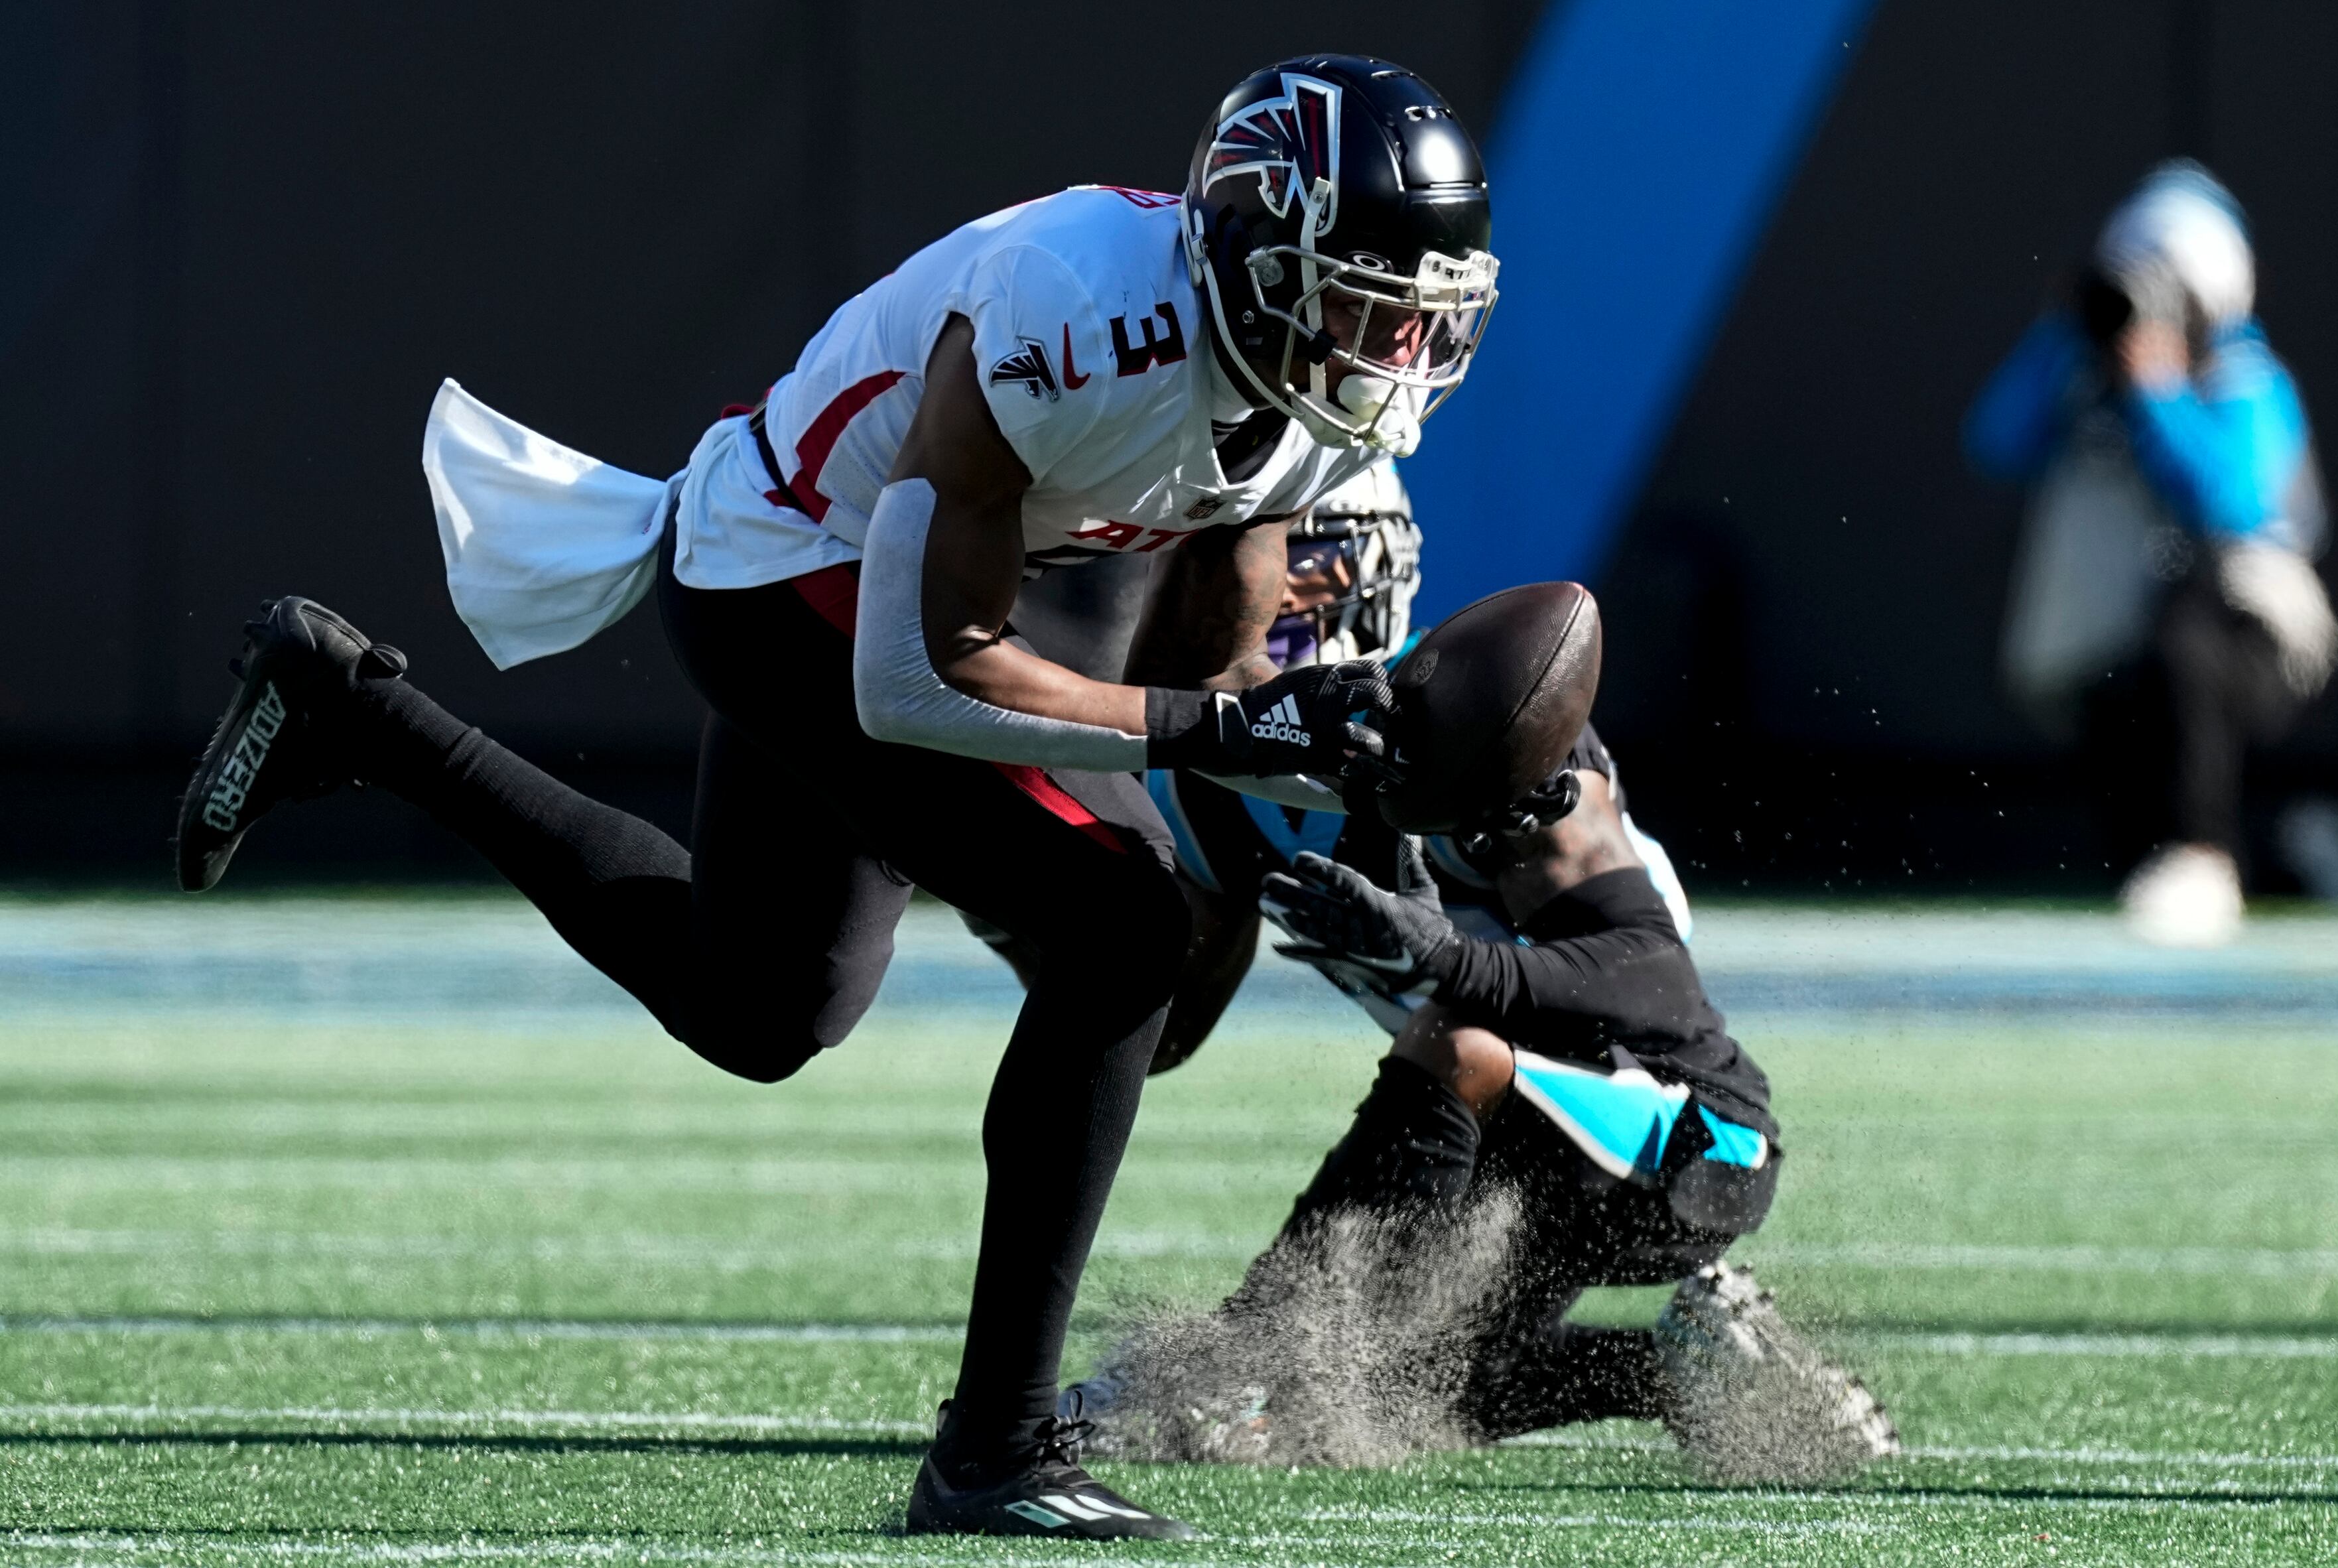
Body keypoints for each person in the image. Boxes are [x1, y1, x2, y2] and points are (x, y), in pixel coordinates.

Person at [173, 55, 1498, 1540]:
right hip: (784, 583)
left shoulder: (1334, 390)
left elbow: (1226, 574)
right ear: (1257, 254)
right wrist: (1210, 738)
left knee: (767, 1009)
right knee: (1124, 934)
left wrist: (1239, 755)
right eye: (1363, 291)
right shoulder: (1080, 313)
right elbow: (912, 683)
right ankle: (994, 1450)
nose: (1394, 339)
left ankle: (351, 713)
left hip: (886, 599)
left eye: (1423, 304)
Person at [1030, 466, 1896, 1474]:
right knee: (1407, 1391)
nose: (1190, 588)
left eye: (1238, 557)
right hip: (1507, 1159)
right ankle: (1671, 1372)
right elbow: (1158, 1028)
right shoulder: (1213, 788)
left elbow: (1647, 969)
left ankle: (1244, 1348)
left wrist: (1441, 953)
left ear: (1338, 573)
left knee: (1457, 1041)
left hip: (1683, 1133)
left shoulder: (1470, 719)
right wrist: (1021, 899)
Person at [1969, 161, 2338, 946]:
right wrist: (2066, 329)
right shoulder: (2081, 375)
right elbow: (1995, 442)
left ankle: (2206, 855)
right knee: (2129, 800)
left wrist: (2162, 391)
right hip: (2123, 641)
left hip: (2250, 633)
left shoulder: (2245, 375)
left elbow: (2235, 505)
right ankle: (2286, 861)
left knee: (2187, 641)